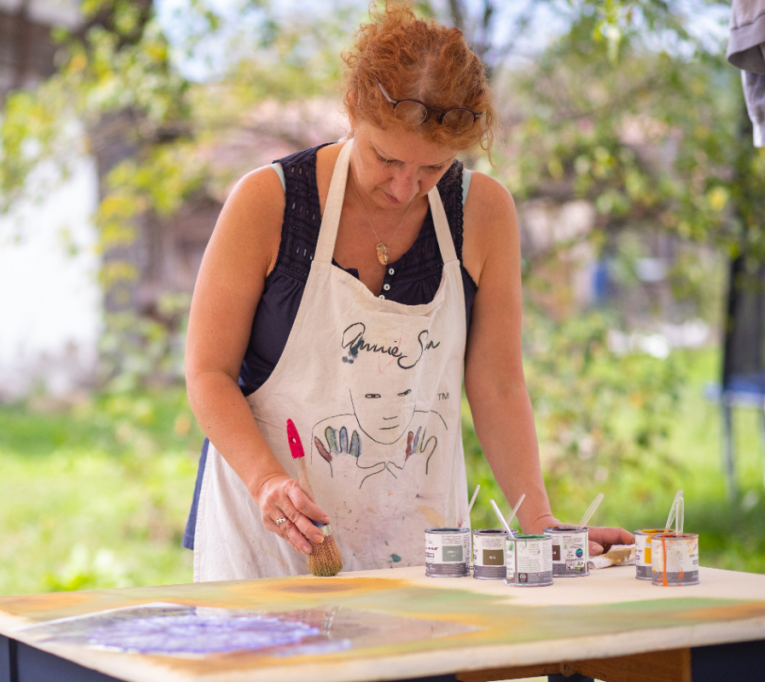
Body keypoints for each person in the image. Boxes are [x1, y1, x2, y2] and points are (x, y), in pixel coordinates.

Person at [183, 1, 633, 582]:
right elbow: (207, 373)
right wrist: (266, 481)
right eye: (386, 158)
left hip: (421, 543)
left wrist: (538, 521)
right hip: (270, 540)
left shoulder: (485, 213)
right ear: (351, 111)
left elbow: (497, 384)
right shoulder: (267, 203)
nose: (403, 187)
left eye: (432, 169)